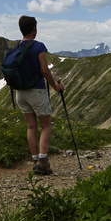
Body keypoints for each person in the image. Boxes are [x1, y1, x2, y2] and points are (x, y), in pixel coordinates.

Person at [15, 15, 64, 175]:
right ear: (34, 29)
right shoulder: (38, 46)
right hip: (36, 91)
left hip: (20, 93)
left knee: (30, 126)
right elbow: (44, 70)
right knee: (46, 125)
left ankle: (35, 160)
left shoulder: (17, 46)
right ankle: (43, 161)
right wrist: (56, 88)